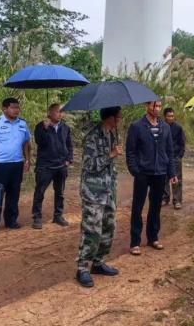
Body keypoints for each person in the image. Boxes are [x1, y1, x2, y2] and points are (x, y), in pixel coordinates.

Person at [76, 106, 123, 288]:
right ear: (110, 118)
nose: (120, 120)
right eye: (118, 117)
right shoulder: (92, 136)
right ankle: (82, 268)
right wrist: (111, 154)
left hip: (108, 190)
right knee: (92, 229)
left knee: (109, 227)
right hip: (93, 191)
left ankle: (98, 262)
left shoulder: (111, 134)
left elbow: (110, 165)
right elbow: (89, 165)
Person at [126, 100, 177, 255]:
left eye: (160, 106)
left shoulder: (165, 127)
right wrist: (135, 170)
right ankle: (135, 242)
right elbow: (130, 151)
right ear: (147, 106)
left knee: (156, 206)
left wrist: (172, 172)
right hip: (142, 173)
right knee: (138, 207)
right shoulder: (137, 126)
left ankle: (153, 237)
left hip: (160, 172)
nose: (157, 109)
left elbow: (170, 151)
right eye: (155, 106)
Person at [0, 97, 31, 233]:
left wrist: (27, 159)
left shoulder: (22, 123)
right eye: (13, 107)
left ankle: (11, 220)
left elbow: (26, 143)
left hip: (17, 164)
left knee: (14, 193)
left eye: (17, 107)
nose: (16, 110)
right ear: (4, 109)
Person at [31, 103, 73, 229]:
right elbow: (39, 141)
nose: (60, 114)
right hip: (45, 166)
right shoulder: (41, 126)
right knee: (40, 192)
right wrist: (45, 128)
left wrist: (69, 159)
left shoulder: (65, 127)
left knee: (60, 192)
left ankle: (58, 215)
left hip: (61, 165)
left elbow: (69, 145)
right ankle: (37, 217)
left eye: (62, 112)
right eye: (58, 111)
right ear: (50, 113)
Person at [162, 107, 186, 209]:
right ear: (165, 117)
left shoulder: (178, 128)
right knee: (164, 179)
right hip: (163, 157)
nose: (171, 118)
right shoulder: (161, 127)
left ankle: (177, 200)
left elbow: (182, 143)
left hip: (175, 157)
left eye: (172, 116)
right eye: (169, 116)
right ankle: (165, 198)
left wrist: (179, 156)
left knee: (176, 179)